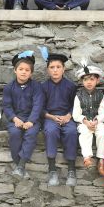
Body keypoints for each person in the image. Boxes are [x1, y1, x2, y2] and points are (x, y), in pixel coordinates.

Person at [3, 51, 44, 179]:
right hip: (15, 119)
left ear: (31, 73)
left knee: (31, 134)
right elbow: (7, 106)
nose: (24, 72)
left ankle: (20, 165)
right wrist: (15, 119)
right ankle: (19, 165)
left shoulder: (36, 87)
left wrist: (31, 121)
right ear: (15, 70)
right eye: (21, 69)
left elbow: (38, 105)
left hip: (32, 119)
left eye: (27, 70)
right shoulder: (9, 88)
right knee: (15, 134)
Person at [41, 48, 78, 187]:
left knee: (71, 132)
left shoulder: (71, 86)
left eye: (58, 67)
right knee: (50, 132)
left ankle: (72, 169)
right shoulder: (43, 87)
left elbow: (76, 105)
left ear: (64, 69)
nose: (55, 70)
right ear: (47, 70)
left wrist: (69, 115)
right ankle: (52, 170)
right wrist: (50, 116)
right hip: (50, 118)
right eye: (52, 67)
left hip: (67, 118)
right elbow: (39, 107)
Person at [72, 60, 104, 177]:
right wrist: (85, 121)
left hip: (96, 121)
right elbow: (76, 114)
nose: (89, 82)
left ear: (97, 80)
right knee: (85, 132)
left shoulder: (100, 95)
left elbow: (103, 112)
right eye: (86, 79)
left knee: (102, 132)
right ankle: (87, 158)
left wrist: (97, 121)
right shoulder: (79, 95)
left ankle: (101, 160)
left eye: (92, 79)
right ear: (82, 81)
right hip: (84, 122)